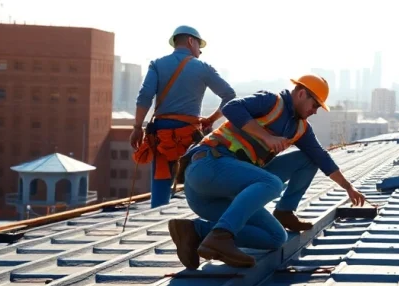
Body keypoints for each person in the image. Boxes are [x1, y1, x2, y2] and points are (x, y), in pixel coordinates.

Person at [167, 74, 367, 269]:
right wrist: (266, 137)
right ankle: (221, 237)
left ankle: (195, 231)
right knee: (272, 183)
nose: (315, 111)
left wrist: (348, 188)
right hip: (207, 167)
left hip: (225, 195)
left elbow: (322, 158)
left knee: (276, 237)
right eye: (315, 105)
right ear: (301, 93)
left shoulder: (300, 128)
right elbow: (231, 107)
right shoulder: (271, 102)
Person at [131, 26, 235, 208]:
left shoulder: (157, 65)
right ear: (190, 41)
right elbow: (230, 95)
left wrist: (137, 127)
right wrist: (211, 119)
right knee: (198, 178)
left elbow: (145, 96)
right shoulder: (203, 68)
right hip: (190, 137)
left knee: (161, 180)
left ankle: (158, 212)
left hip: (162, 136)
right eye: (199, 47)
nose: (200, 52)